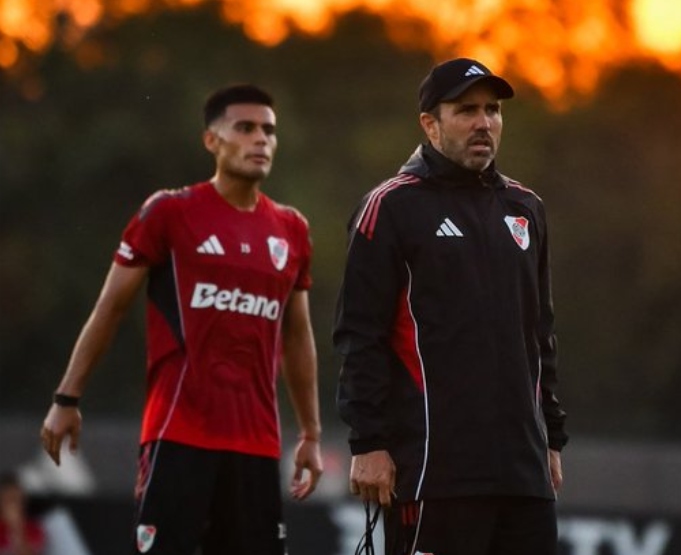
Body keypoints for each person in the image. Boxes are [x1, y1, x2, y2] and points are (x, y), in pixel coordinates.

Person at [40, 84, 323, 555]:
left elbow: (297, 337)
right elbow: (110, 307)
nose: (261, 139)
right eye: (245, 128)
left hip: (256, 445)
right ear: (212, 140)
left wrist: (311, 432)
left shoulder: (291, 228)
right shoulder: (170, 212)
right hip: (178, 436)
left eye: (269, 131)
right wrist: (66, 398)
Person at [334, 58, 568, 555]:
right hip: (435, 471)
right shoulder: (391, 206)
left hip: (523, 474)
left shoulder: (526, 208)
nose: (484, 122)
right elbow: (360, 334)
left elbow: (540, 333)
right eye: (466, 110)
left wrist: (550, 437)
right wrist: (368, 442)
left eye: (492, 110)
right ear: (430, 123)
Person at [0, 471, 45, 555]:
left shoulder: (34, 530)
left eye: (17, 500)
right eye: (9, 500)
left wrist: (16, 528)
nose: (14, 505)